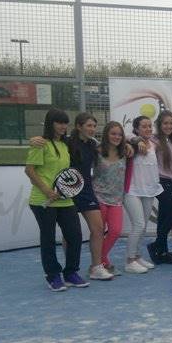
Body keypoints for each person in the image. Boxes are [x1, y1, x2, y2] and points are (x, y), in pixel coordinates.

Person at [29, 113, 113, 280]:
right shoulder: (65, 142)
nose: (92, 129)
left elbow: (114, 145)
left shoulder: (93, 144)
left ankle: (96, 267)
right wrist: (32, 140)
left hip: (86, 191)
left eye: (94, 126)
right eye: (88, 125)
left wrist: (133, 143)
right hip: (66, 192)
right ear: (78, 126)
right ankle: (68, 270)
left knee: (98, 228)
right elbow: (43, 145)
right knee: (70, 234)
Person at [25, 108, 86, 291]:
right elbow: (29, 170)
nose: (63, 126)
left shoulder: (66, 144)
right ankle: (53, 276)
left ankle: (71, 273)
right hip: (42, 201)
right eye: (59, 122)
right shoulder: (40, 144)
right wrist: (47, 191)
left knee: (75, 236)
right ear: (50, 123)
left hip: (65, 200)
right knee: (48, 239)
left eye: (65, 123)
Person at [124, 116, 162, 274]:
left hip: (149, 190)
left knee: (144, 226)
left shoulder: (153, 144)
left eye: (150, 126)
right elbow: (125, 137)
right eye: (144, 126)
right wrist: (136, 139)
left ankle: (137, 256)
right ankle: (129, 261)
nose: (148, 129)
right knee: (138, 224)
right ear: (136, 129)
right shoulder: (131, 143)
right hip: (132, 191)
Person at [94, 121, 128, 277]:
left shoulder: (125, 152)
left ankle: (100, 258)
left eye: (119, 134)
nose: (117, 137)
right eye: (113, 134)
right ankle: (101, 263)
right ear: (106, 134)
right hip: (99, 196)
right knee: (99, 232)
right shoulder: (97, 151)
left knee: (115, 231)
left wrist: (134, 143)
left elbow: (136, 139)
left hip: (116, 199)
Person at [147, 111, 172, 265]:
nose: (168, 126)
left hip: (171, 183)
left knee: (163, 217)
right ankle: (156, 245)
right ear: (159, 125)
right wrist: (136, 140)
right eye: (165, 123)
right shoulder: (154, 140)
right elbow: (132, 137)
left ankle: (162, 252)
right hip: (161, 182)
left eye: (171, 123)